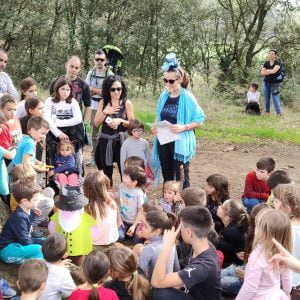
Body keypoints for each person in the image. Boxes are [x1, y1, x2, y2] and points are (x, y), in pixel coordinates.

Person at [152, 53, 205, 189]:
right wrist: (156, 126)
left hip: (180, 142)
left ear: (180, 79)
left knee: (180, 174)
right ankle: (168, 200)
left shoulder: (188, 97)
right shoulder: (163, 96)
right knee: (167, 172)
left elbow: (199, 119)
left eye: (171, 81)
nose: (168, 84)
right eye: (165, 80)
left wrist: (184, 127)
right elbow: (159, 114)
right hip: (164, 140)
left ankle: (183, 202)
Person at [151, 206, 221, 300]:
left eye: (180, 227)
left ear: (188, 232)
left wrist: (166, 247)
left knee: (160, 294)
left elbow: (156, 282)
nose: (179, 230)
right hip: (193, 292)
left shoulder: (202, 267)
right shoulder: (207, 245)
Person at [236, 209, 292, 299]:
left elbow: (250, 288)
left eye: (258, 226)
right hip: (277, 295)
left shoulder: (257, 255)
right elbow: (287, 277)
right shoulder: (283, 253)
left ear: (264, 233)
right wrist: (287, 293)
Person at [220, 203, 270, 295]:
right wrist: (248, 256)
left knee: (222, 282)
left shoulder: (270, 245)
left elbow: (267, 276)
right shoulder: (259, 238)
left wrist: (245, 274)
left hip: (251, 281)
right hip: (247, 269)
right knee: (220, 274)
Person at [94, 75, 134, 186]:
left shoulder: (127, 103)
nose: (116, 92)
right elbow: (96, 123)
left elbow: (133, 124)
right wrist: (105, 111)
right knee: (106, 173)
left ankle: (126, 195)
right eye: (113, 89)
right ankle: (107, 197)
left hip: (122, 141)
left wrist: (120, 120)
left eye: (119, 89)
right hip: (105, 141)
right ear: (107, 90)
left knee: (124, 170)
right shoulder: (103, 102)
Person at [44, 77, 85, 174]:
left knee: (75, 147)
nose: (65, 92)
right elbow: (46, 118)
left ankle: (76, 171)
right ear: (57, 89)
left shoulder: (73, 102)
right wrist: (58, 133)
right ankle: (53, 173)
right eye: (62, 89)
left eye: (68, 89)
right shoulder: (49, 101)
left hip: (72, 131)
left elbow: (78, 119)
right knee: (52, 148)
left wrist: (57, 122)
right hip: (54, 131)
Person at [0, 180, 44, 264]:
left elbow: (27, 231)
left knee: (43, 242)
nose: (39, 201)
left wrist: (33, 213)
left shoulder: (28, 210)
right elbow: (25, 241)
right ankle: (36, 267)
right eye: (36, 199)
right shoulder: (19, 217)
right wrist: (43, 242)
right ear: (24, 201)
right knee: (39, 249)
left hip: (18, 244)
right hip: (7, 251)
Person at [86, 49, 114, 166]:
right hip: (93, 107)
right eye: (97, 59)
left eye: (101, 59)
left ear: (105, 60)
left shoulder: (110, 75)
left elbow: (110, 93)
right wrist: (99, 91)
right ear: (94, 60)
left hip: (107, 108)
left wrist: (94, 90)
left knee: (110, 132)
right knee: (94, 133)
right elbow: (87, 91)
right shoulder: (90, 73)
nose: (99, 62)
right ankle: (93, 157)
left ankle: (110, 158)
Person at [134, 209, 179, 280]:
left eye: (145, 226)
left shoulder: (149, 249)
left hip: (152, 287)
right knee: (138, 247)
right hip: (168, 283)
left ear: (157, 231)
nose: (142, 228)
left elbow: (137, 272)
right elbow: (176, 267)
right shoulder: (171, 243)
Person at [10, 163, 54, 230]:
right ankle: (32, 225)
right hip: (24, 214)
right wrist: (34, 208)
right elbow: (20, 209)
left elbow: (37, 195)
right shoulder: (21, 191)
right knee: (49, 202)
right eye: (33, 180)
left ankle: (43, 218)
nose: (35, 181)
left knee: (49, 190)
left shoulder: (26, 187)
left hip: (31, 207)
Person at [273, 183, 300, 288]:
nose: (272, 204)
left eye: (276, 201)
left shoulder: (286, 231)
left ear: (287, 209)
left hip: (285, 282)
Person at [50, 55, 91, 123]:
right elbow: (51, 103)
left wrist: (84, 124)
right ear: (66, 65)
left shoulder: (84, 85)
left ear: (79, 69)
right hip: (58, 121)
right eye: (71, 66)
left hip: (76, 122)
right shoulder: (55, 82)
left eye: (76, 68)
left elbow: (88, 106)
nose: (73, 70)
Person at [84, 170, 120, 245]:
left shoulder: (86, 207)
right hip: (111, 239)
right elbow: (117, 221)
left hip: (94, 242)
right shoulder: (111, 203)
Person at [39, 233, 76, 300]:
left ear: (41, 249)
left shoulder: (34, 264)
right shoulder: (63, 273)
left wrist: (59, 265)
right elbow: (72, 293)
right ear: (65, 255)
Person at [117, 166, 147, 242]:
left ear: (134, 182)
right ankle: (127, 233)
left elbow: (141, 210)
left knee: (137, 240)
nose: (123, 178)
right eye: (124, 176)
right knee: (119, 237)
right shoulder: (121, 186)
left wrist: (134, 226)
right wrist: (119, 219)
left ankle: (131, 232)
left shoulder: (138, 193)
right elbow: (117, 199)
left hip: (136, 222)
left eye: (126, 177)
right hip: (123, 220)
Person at [216, 199, 249, 268]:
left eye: (222, 207)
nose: (219, 206)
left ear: (227, 217)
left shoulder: (231, 233)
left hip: (234, 266)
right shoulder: (236, 225)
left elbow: (217, 243)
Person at [19, 97, 44, 161]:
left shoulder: (40, 120)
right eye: (40, 108)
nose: (43, 111)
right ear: (31, 110)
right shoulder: (22, 122)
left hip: (37, 147)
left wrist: (40, 142)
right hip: (27, 149)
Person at [261, 49, 283, 116]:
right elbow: (262, 73)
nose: (271, 55)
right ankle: (267, 112)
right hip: (266, 83)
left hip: (275, 83)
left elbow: (274, 71)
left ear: (275, 55)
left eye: (273, 53)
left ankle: (279, 113)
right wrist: (269, 71)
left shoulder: (278, 63)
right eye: (270, 53)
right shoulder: (266, 63)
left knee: (275, 97)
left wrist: (266, 71)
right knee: (267, 98)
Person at [0, 115, 16, 205]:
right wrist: (15, 148)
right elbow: (10, 155)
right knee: (6, 203)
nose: (2, 130)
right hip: (1, 182)